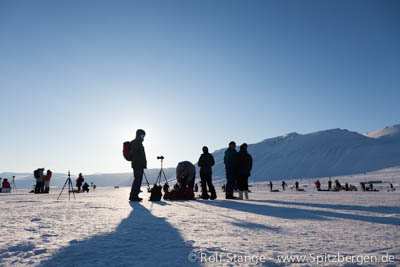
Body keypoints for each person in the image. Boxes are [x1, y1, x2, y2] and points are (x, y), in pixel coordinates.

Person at [129, 129, 147, 202]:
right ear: (139, 135)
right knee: (137, 180)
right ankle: (133, 196)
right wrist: (140, 163)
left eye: (144, 135)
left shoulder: (138, 142)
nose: (143, 137)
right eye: (142, 135)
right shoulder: (136, 142)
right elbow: (135, 154)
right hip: (137, 164)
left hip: (138, 164)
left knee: (138, 180)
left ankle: (134, 195)